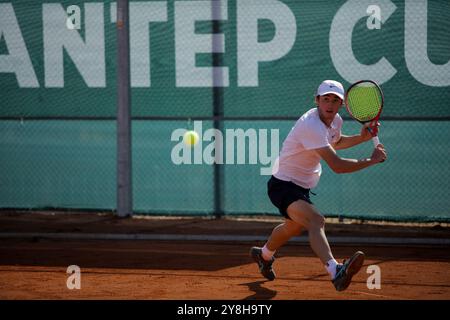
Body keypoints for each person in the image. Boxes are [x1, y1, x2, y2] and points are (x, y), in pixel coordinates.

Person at [250, 80, 387, 291]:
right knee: (316, 220)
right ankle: (335, 271)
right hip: (283, 184)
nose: (330, 104)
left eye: (335, 100)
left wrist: (361, 138)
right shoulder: (311, 125)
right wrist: (371, 160)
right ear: (317, 100)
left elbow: (336, 142)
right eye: (325, 99)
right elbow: (338, 166)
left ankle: (264, 255)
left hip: (301, 187)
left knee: (292, 227)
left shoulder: (336, 121)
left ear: (341, 104)